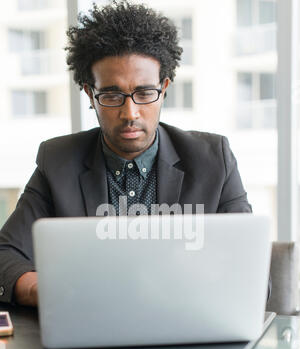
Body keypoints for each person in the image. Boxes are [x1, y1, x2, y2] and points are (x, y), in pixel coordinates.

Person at [0, 0, 266, 308]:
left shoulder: (213, 160)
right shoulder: (57, 161)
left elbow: (255, 271)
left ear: (164, 88)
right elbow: (5, 257)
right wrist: (40, 289)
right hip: (90, 329)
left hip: (189, 329)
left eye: (144, 93)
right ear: (90, 94)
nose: (130, 112)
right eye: (112, 95)